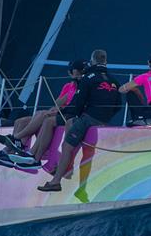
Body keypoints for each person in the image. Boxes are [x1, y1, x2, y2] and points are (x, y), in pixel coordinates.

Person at [37, 49, 121, 192]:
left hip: (89, 119)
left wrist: (64, 113)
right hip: (104, 121)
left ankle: (56, 181)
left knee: (67, 146)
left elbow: (77, 104)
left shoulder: (88, 78)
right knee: (73, 132)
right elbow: (118, 105)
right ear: (105, 61)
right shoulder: (114, 80)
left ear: (93, 60)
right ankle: (66, 171)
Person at [0, 60, 88, 169]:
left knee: (43, 114)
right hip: (60, 112)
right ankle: (8, 153)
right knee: (21, 121)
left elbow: (75, 105)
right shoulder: (68, 86)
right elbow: (57, 103)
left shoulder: (84, 85)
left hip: (66, 114)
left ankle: (16, 140)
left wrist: (73, 92)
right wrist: (66, 96)